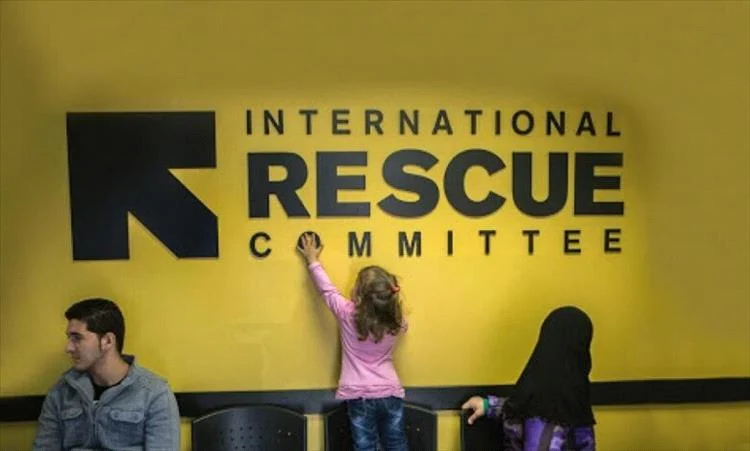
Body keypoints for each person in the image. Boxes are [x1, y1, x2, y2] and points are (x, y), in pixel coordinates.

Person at [298, 233, 409, 451]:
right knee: (396, 443)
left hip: (359, 396)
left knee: (365, 446)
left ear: (358, 295)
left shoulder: (348, 314)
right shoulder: (397, 321)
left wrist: (312, 261)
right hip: (390, 391)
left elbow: (327, 291)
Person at [33, 298, 180, 451]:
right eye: (69, 338)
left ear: (108, 341)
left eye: (77, 338)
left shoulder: (154, 394)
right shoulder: (61, 393)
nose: (68, 348)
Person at [462, 306, 596, 450]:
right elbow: (528, 408)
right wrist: (489, 406)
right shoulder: (569, 399)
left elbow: (527, 407)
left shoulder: (549, 394)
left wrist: (490, 406)